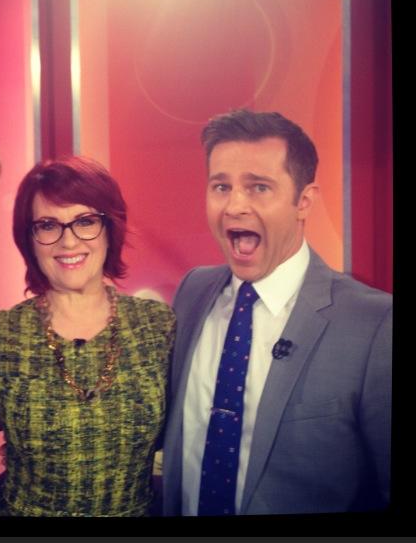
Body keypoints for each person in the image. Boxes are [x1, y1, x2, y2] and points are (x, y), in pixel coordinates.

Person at [162, 109, 392, 516]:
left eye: (259, 187)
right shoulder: (192, 292)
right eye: (221, 186)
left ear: (304, 201)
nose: (234, 205)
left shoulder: (375, 324)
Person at [0, 156, 176, 516]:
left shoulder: (157, 326)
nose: (68, 241)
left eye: (85, 221)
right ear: (29, 238)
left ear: (110, 228)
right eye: (48, 225)